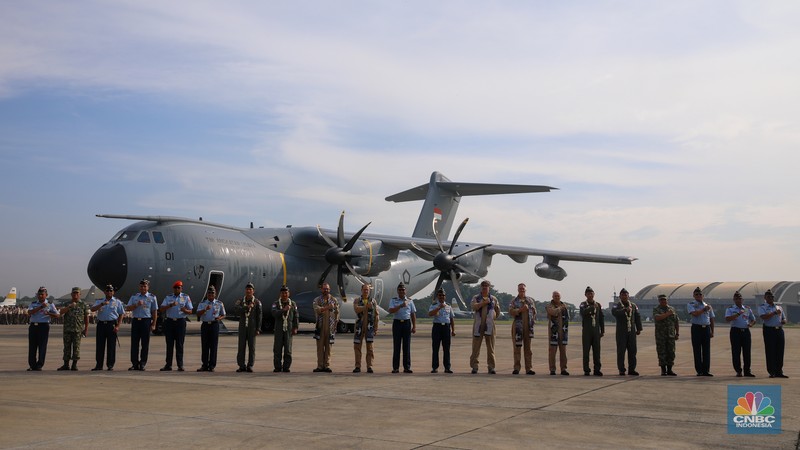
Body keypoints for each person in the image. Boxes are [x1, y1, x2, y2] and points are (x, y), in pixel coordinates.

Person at [159, 281, 193, 371]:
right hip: (170, 322)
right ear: (173, 289)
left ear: (181, 288)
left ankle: (180, 365)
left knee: (179, 344)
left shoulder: (185, 297)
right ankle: (168, 365)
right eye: (175, 288)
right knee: (169, 344)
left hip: (180, 322)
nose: (177, 289)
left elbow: (191, 311)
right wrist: (170, 305)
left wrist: (185, 310)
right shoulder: (168, 297)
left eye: (179, 288)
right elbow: (161, 309)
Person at [90, 285, 125, 371]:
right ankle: (99, 365)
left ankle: (110, 365)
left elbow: (121, 314)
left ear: (113, 292)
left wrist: (118, 326)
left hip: (111, 325)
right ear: (104, 292)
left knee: (111, 346)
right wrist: (101, 304)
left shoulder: (117, 302)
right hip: (101, 324)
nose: (109, 292)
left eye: (111, 291)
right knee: (100, 346)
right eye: (107, 291)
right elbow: (92, 309)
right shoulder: (99, 301)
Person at [125, 279, 158, 371]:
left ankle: (142, 363)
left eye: (145, 286)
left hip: (146, 321)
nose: (143, 288)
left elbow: (154, 311)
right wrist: (136, 305)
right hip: (136, 321)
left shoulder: (152, 297)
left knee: (145, 344)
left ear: (148, 287)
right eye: (141, 286)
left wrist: (154, 323)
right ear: (139, 287)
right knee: (134, 344)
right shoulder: (134, 297)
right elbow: (127, 308)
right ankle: (134, 364)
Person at [470, 280, 500, 374]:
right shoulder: (476, 298)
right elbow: (473, 307)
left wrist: (493, 316)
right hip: (478, 325)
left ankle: (491, 367)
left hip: (490, 326)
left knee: (491, 347)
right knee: (475, 347)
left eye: (486, 286)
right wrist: (483, 303)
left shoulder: (494, 299)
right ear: (481, 287)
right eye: (483, 286)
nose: (484, 287)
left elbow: (498, 312)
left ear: (489, 287)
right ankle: (474, 366)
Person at [611, 288, 642, 376]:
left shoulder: (633, 305)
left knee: (632, 351)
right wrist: (624, 310)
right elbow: (615, 313)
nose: (624, 296)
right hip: (621, 331)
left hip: (631, 331)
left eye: (626, 295)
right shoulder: (616, 305)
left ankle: (632, 369)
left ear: (628, 296)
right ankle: (621, 369)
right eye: (623, 295)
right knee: (621, 351)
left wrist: (639, 328)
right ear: (620, 296)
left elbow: (637, 316)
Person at [27, 286, 59, 371]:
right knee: (32, 346)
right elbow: (30, 312)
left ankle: (39, 365)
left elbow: (57, 315)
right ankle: (32, 365)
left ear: (46, 295)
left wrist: (49, 313)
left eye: (42, 294)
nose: (40, 296)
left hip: (43, 326)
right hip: (33, 326)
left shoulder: (50, 304)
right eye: (39, 294)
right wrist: (41, 307)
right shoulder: (33, 303)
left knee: (42, 346)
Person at [725, 291, 755, 377]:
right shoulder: (730, 309)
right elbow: (727, 319)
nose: (738, 300)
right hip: (735, 332)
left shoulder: (747, 308)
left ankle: (747, 371)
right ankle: (738, 370)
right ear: (734, 300)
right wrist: (738, 314)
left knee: (747, 352)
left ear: (742, 300)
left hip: (745, 331)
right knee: (736, 352)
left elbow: (753, 319)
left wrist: (751, 324)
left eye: (740, 299)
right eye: (736, 299)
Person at [58, 287, 89, 371]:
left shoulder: (83, 305)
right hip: (67, 329)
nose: (75, 295)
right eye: (74, 293)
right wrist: (69, 307)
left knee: (76, 347)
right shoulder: (67, 303)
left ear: (80, 294)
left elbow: (86, 317)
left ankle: (74, 365)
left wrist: (86, 329)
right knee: (66, 347)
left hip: (78, 330)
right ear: (71, 294)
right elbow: (60, 312)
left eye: (77, 293)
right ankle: (66, 364)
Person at [759, 289, 788, 378]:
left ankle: (779, 371)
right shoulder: (763, 307)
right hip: (769, 330)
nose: (770, 298)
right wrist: (774, 313)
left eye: (772, 297)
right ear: (765, 298)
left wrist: (783, 321)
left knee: (780, 351)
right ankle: (772, 371)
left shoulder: (779, 307)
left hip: (779, 330)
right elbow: (763, 317)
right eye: (768, 297)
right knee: (770, 351)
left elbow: (784, 318)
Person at [234, 282, 262, 373]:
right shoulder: (241, 301)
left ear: (253, 291)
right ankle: (241, 365)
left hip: (252, 327)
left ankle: (250, 365)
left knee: (252, 347)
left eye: (250, 289)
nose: (248, 291)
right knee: (241, 347)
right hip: (242, 327)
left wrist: (258, 329)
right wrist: (246, 307)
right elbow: (236, 309)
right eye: (247, 289)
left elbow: (259, 316)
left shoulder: (257, 302)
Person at [389, 282, 416, 373]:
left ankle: (407, 367)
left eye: (403, 290)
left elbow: (413, 314)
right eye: (400, 290)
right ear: (397, 291)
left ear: (405, 291)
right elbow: (391, 310)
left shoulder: (409, 301)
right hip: (397, 323)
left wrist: (414, 326)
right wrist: (400, 306)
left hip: (406, 323)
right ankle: (395, 367)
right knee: (396, 346)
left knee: (406, 346)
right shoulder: (393, 300)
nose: (401, 291)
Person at [509, 283, 536, 375]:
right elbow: (511, 312)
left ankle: (529, 368)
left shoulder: (530, 301)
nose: (522, 290)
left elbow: (534, 312)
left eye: (523, 289)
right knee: (517, 348)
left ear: (525, 290)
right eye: (520, 289)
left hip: (528, 326)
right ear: (518, 290)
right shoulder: (514, 301)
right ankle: (516, 368)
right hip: (517, 326)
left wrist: (532, 321)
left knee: (528, 349)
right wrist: (520, 310)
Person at [197, 286, 226, 372]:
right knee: (205, 345)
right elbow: (198, 313)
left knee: (213, 346)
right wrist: (205, 309)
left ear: (215, 294)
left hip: (214, 325)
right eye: (209, 293)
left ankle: (212, 365)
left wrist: (219, 318)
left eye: (212, 293)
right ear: (207, 294)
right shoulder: (202, 303)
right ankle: (204, 365)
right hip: (205, 325)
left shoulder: (219, 303)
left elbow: (224, 314)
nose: (211, 295)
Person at [687, 287, 715, 376]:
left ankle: (706, 370)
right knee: (697, 350)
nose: (698, 296)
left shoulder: (708, 305)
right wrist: (703, 310)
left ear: (703, 296)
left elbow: (711, 318)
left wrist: (712, 331)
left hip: (706, 328)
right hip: (696, 328)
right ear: (693, 296)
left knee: (706, 350)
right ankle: (699, 371)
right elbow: (694, 314)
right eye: (696, 294)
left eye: (700, 294)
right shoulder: (691, 304)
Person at [313, 282, 339, 373]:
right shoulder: (317, 300)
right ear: (321, 290)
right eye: (324, 289)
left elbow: (337, 313)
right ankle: (320, 366)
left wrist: (335, 325)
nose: (326, 290)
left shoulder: (334, 300)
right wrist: (328, 307)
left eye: (327, 289)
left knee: (329, 347)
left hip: (330, 327)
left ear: (329, 289)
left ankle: (327, 365)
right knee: (320, 347)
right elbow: (317, 309)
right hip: (320, 327)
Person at [271, 285, 298, 373]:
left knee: (288, 349)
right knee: (277, 349)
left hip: (289, 329)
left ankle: (286, 367)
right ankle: (277, 367)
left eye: (286, 293)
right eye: (283, 293)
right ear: (280, 294)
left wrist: (295, 327)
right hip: (279, 329)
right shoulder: (276, 303)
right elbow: (274, 313)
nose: (284, 294)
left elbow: (296, 316)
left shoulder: (293, 304)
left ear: (288, 294)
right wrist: (283, 310)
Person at [428, 288, 455, 374]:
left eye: (443, 295)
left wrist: (453, 330)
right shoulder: (434, 305)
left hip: (446, 327)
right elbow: (430, 314)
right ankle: (435, 367)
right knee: (435, 348)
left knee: (446, 348)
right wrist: (438, 307)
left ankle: (447, 367)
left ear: (445, 296)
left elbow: (451, 318)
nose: (441, 297)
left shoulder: (448, 306)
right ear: (437, 296)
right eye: (440, 295)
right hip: (437, 327)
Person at [353, 284, 378, 373]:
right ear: (361, 290)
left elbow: (376, 315)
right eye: (364, 289)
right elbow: (356, 309)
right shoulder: (357, 300)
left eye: (367, 290)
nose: (366, 291)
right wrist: (365, 307)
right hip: (359, 326)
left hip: (369, 326)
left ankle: (369, 366)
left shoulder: (373, 301)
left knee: (370, 348)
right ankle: (357, 366)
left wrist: (375, 327)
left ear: (369, 291)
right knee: (357, 347)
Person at [579, 286, 604, 376]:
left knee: (597, 351)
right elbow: (583, 312)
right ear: (585, 295)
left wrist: (602, 330)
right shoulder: (583, 304)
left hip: (596, 331)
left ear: (594, 294)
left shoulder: (598, 305)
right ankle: (586, 370)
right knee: (586, 351)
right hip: (587, 331)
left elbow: (601, 318)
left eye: (592, 293)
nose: (590, 295)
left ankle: (597, 369)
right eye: (588, 294)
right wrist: (592, 307)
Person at [653, 294, 679, 376]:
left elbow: (676, 322)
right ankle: (663, 370)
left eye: (664, 300)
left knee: (671, 352)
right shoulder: (656, 309)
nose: (663, 301)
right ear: (659, 301)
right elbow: (657, 318)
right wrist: (667, 314)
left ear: (667, 300)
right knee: (662, 352)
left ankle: (670, 369)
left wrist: (677, 333)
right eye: (661, 300)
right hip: (661, 335)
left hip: (671, 335)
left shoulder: (672, 309)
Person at [546, 290, 569, 375]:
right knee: (552, 351)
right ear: (552, 297)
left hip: (563, 331)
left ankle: (563, 369)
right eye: (555, 296)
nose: (557, 297)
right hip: (553, 331)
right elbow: (553, 312)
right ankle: (552, 369)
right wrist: (560, 308)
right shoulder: (549, 305)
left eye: (558, 296)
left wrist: (563, 307)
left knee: (563, 352)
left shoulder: (564, 306)